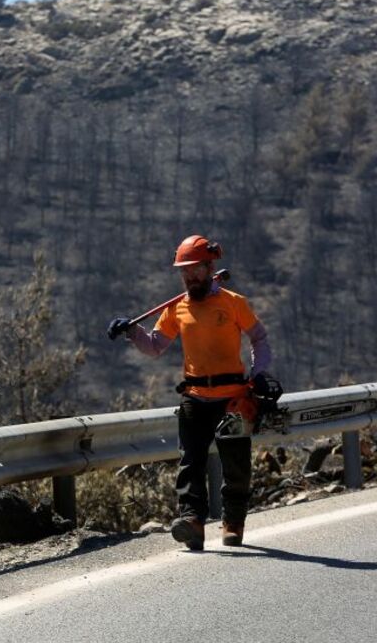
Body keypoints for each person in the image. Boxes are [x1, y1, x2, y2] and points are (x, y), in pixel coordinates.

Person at [107, 234, 275, 551]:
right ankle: (192, 522)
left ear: (210, 268)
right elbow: (155, 346)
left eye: (194, 269)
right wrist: (132, 331)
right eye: (184, 270)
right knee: (190, 464)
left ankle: (233, 523)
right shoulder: (177, 308)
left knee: (236, 466)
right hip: (195, 397)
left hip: (233, 400)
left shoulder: (234, 303)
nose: (188, 276)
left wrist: (259, 374)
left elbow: (260, 340)